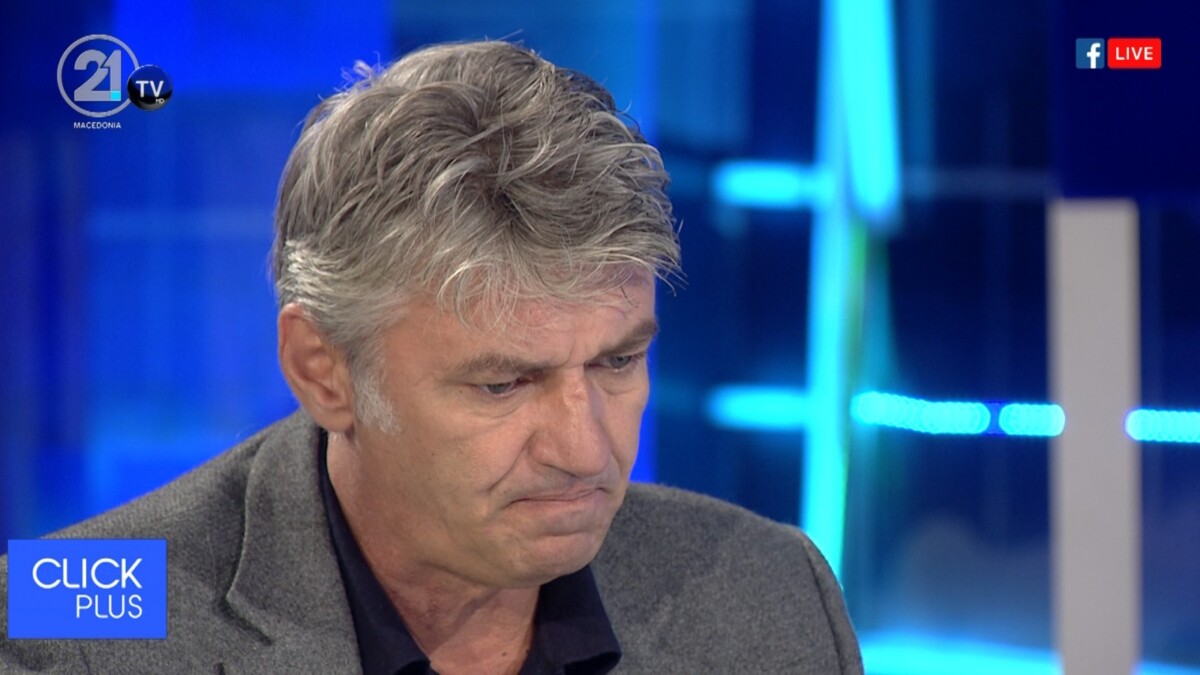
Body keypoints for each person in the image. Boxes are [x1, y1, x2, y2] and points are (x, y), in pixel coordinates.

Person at [0, 41, 861, 674]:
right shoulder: (63, 615)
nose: (585, 449)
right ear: (322, 369)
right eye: (503, 382)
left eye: (616, 362)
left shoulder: (775, 592)